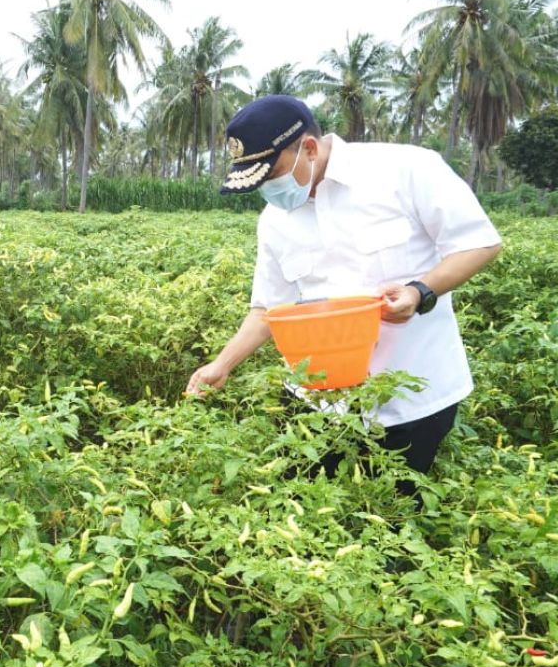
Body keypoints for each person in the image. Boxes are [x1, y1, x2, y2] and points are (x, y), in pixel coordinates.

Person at [185, 95, 501, 491]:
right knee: (311, 510)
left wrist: (420, 291)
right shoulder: (276, 220)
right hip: (317, 403)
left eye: (272, 172)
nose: (268, 187)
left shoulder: (405, 169)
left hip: (411, 399)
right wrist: (222, 365)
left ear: (310, 148)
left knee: (392, 518)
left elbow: (478, 242)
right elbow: (269, 308)